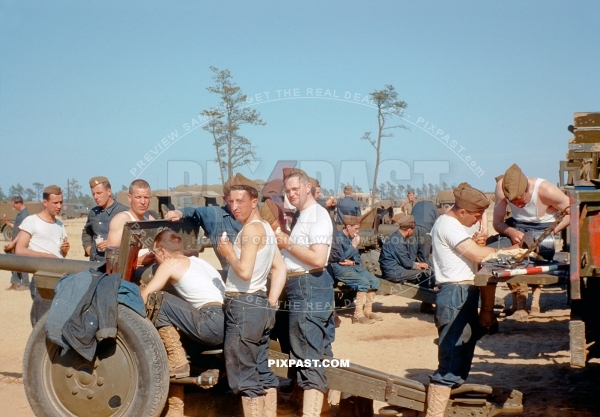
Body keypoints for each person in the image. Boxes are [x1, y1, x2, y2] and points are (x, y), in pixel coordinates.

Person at [425, 183, 498, 417]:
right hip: (455, 293)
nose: (477, 220)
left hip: (463, 292)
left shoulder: (457, 224)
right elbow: (477, 255)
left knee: (461, 357)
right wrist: (510, 251)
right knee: (451, 363)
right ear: (462, 211)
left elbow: (476, 248)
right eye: (476, 216)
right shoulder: (448, 224)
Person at [216, 173, 286, 417]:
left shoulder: (249, 231)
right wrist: (271, 303)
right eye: (231, 202)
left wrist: (227, 253)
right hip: (259, 306)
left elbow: (244, 271)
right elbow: (280, 268)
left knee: (245, 377)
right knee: (262, 372)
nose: (234, 207)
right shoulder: (265, 228)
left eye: (240, 201)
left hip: (243, 306)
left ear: (254, 201)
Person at [141, 229, 225, 417]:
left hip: (209, 321)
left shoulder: (170, 263)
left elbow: (146, 297)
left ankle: (177, 361)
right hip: (225, 322)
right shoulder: (200, 262)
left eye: (155, 255)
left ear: (162, 252)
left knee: (158, 299)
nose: (155, 260)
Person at [274, 168, 334, 417]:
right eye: (287, 191)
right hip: (303, 286)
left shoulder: (317, 216)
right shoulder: (304, 216)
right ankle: (323, 407)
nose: (291, 194)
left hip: (308, 285)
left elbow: (318, 259)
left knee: (309, 356)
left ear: (308, 187)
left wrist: (287, 243)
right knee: (313, 352)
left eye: (295, 189)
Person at [489, 164, 570, 320]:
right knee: (496, 255)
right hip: (517, 228)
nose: (518, 205)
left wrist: (550, 233)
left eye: (521, 201)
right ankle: (506, 305)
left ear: (527, 189)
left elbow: (572, 210)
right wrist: (511, 232)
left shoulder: (546, 190)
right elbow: (497, 222)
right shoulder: (501, 187)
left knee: (537, 259)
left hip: (544, 229)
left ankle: (535, 299)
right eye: (514, 202)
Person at [15, 185, 69, 326]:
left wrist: (65, 250)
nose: (59, 206)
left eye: (61, 202)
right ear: (45, 203)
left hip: (61, 279)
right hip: (42, 280)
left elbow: (60, 254)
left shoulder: (60, 225)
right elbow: (20, 250)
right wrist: (46, 257)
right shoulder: (31, 221)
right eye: (55, 203)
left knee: (59, 322)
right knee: (42, 323)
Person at [164, 180, 242, 269]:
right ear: (224, 199)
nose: (236, 206)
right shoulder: (216, 215)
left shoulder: (254, 218)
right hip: (232, 274)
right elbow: (196, 211)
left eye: (240, 201)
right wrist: (179, 212)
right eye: (231, 201)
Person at [329, 215, 382, 324]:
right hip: (339, 268)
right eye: (356, 228)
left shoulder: (353, 238)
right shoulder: (337, 237)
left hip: (352, 266)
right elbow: (339, 258)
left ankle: (367, 311)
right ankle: (357, 316)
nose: (358, 231)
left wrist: (352, 262)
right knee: (363, 283)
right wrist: (353, 246)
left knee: (375, 281)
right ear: (348, 227)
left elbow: (357, 258)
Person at [379, 213, 434, 312]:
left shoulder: (396, 237)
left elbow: (403, 260)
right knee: (426, 274)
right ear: (409, 229)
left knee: (425, 270)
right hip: (394, 272)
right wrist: (418, 266)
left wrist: (418, 264)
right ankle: (426, 305)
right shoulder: (398, 241)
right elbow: (407, 263)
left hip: (394, 269)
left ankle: (426, 304)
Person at [82, 176, 128, 262]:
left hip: (114, 264)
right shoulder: (93, 212)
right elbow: (86, 232)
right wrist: (88, 248)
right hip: (94, 264)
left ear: (109, 191)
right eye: (93, 194)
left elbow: (131, 239)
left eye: (99, 193)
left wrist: (113, 244)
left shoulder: (124, 212)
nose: (96, 197)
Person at [106, 179, 155, 248]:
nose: (143, 202)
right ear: (129, 198)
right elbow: (112, 255)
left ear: (150, 199)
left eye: (146, 197)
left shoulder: (150, 219)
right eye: (138, 197)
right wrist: (140, 258)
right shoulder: (121, 220)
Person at [3, 196, 30, 290]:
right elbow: (17, 227)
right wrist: (7, 223)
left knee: (22, 262)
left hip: (20, 242)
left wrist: (13, 243)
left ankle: (26, 283)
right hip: (16, 242)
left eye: (14, 204)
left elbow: (23, 231)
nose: (13, 206)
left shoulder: (24, 215)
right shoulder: (20, 214)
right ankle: (15, 282)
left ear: (19, 203)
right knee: (15, 262)